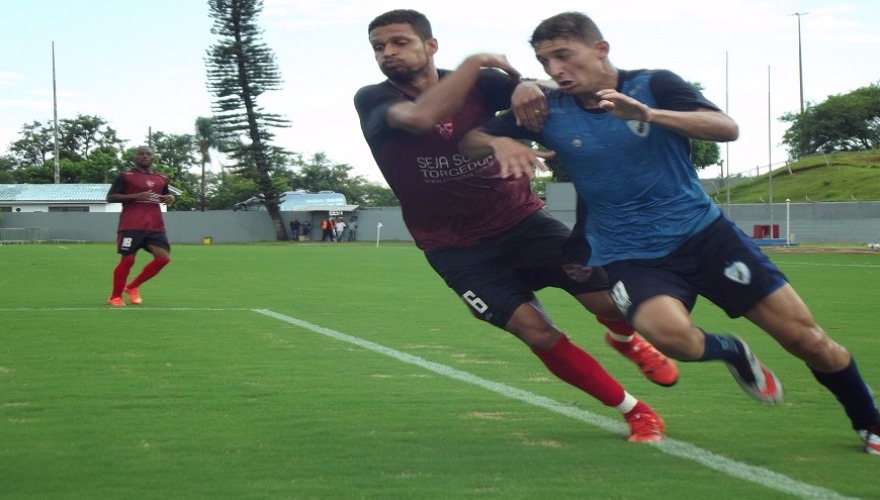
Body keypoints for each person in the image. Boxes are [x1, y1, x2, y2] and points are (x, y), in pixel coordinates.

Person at [459, 11, 880, 454]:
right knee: (671, 337)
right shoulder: (546, 110)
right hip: (629, 253)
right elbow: (469, 140)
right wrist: (499, 141)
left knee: (807, 339)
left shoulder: (653, 84)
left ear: (600, 49)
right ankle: (733, 351)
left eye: (564, 55)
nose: (555, 70)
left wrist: (649, 114)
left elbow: (726, 128)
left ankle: (868, 421)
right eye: (545, 62)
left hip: (706, 236)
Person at [354, 9, 679, 442]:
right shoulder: (373, 99)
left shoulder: (486, 84)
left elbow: (544, 93)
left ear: (430, 45)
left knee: (612, 304)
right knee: (538, 332)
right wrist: (476, 62)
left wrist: (527, 84)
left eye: (400, 42)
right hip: (455, 248)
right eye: (379, 47)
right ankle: (635, 411)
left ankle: (625, 339)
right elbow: (419, 118)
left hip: (523, 221)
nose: (388, 53)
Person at [105, 146, 174, 307]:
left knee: (163, 258)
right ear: (134, 157)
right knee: (128, 260)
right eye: (140, 154)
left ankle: (132, 286)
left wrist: (170, 197)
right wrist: (136, 196)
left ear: (154, 157)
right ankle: (115, 297)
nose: (144, 156)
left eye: (148, 154)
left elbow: (164, 195)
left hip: (155, 226)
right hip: (131, 225)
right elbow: (111, 197)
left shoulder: (161, 177)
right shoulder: (125, 176)